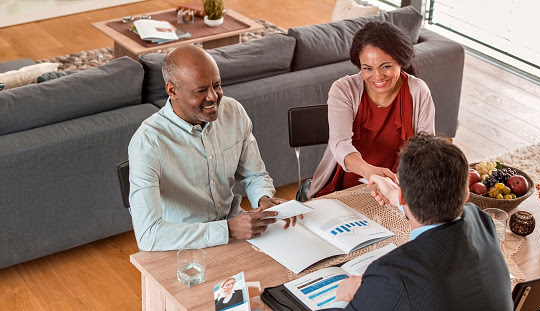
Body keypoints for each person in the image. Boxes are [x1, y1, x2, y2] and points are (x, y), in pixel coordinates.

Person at [128, 45, 298, 251]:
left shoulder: (233, 111)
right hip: (181, 247)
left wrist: (264, 199)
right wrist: (227, 230)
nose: (213, 97)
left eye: (216, 85)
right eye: (200, 90)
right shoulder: (147, 143)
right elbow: (149, 235)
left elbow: (255, 175)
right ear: (172, 90)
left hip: (235, 231)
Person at [322, 134, 513, 310]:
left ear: (402, 195)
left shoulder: (391, 275)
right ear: (465, 195)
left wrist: (345, 296)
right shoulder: (481, 219)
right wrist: (397, 197)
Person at [307, 21, 435, 199]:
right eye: (367, 68)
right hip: (342, 189)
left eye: (386, 66)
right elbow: (339, 144)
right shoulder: (343, 89)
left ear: (401, 61)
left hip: (396, 187)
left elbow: (426, 147)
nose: (377, 77)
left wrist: (397, 186)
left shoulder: (418, 90)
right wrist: (370, 173)